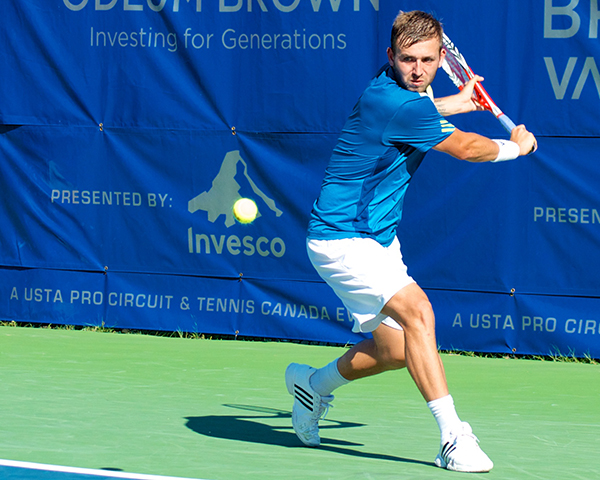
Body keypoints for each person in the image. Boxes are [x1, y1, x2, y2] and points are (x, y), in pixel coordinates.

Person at [285, 10, 537, 474]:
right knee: (419, 312)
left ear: (443, 57)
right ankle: (453, 438)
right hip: (342, 239)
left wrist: (457, 103)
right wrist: (517, 147)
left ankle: (313, 385)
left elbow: (421, 110)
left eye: (425, 59)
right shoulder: (396, 102)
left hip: (378, 239)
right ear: (391, 57)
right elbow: (463, 148)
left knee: (396, 350)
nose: (417, 69)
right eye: (406, 60)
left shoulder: (403, 96)